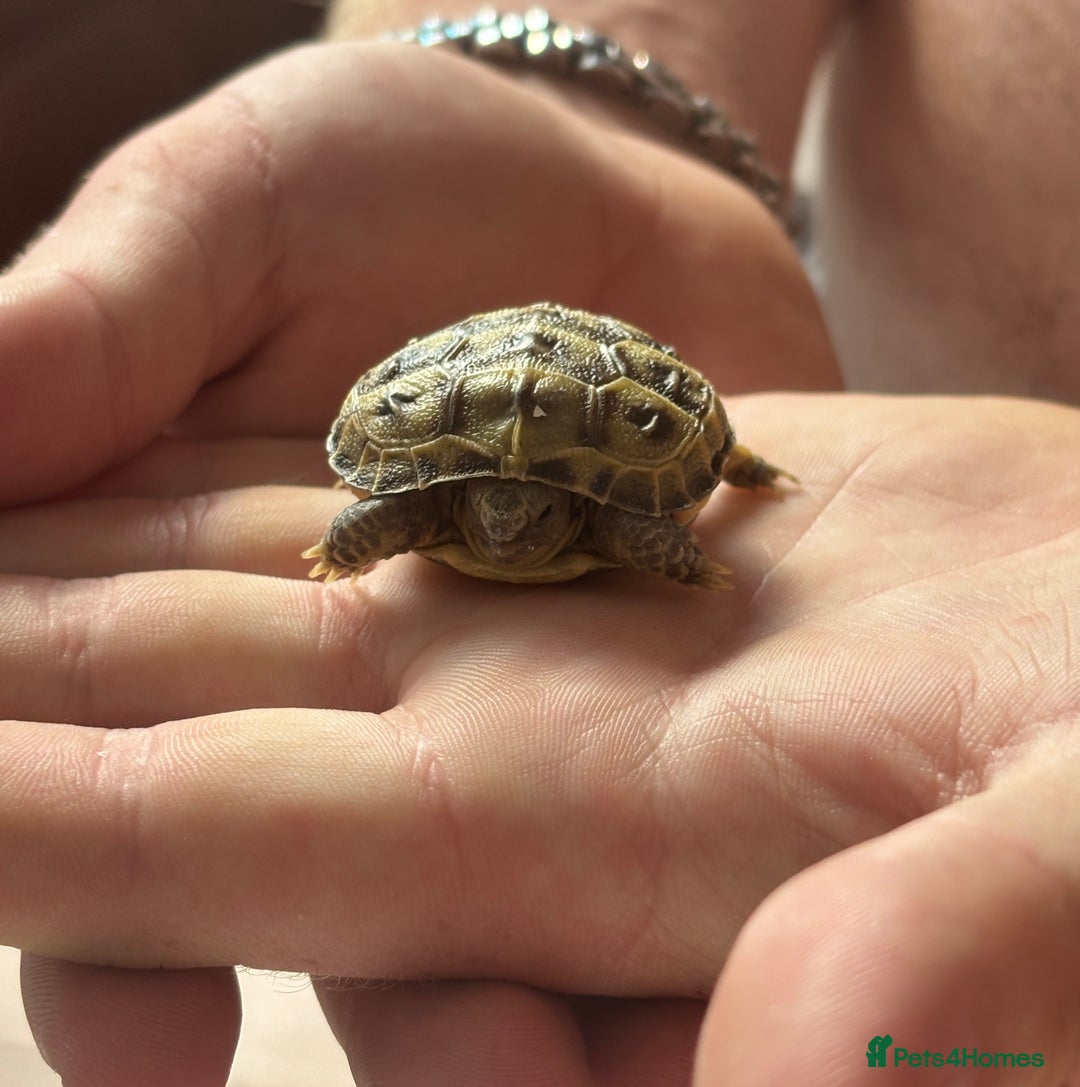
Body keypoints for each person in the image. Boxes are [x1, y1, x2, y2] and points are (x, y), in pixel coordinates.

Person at [2, 1, 1078, 1084]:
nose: (511, 529)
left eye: (536, 517)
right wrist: (579, 83)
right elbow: (393, 510)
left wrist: (692, 539)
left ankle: (745, 451)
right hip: (851, 329)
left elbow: (646, 526)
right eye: (493, 515)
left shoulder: (613, 516)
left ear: (575, 516)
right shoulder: (442, 503)